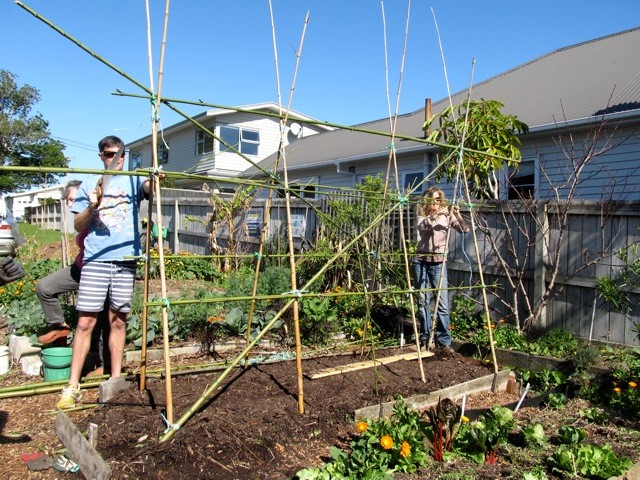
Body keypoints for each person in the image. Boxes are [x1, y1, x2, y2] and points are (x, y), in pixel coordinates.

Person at [57, 135, 153, 409]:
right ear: (101, 155)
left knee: (118, 322)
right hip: (97, 259)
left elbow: (152, 187)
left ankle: (115, 379)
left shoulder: (135, 180)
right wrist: (92, 205)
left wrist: (154, 173)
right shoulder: (89, 182)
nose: (115, 158)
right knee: (85, 322)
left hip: (125, 260)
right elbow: (77, 225)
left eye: (119, 154)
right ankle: (73, 385)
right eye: (109, 154)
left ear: (125, 156)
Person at [36, 180, 110, 376]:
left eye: (72, 199)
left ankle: (105, 365)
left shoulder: (99, 212)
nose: (70, 205)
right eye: (69, 201)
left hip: (99, 271)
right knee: (45, 287)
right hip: (80, 269)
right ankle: (58, 325)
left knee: (103, 320)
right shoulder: (81, 216)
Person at [412, 186, 469, 352]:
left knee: (442, 304)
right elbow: (423, 227)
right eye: (433, 199)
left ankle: (444, 341)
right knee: (423, 301)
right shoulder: (422, 215)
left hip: (438, 262)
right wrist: (437, 214)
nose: (437, 203)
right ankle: (425, 337)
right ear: (427, 201)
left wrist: (456, 214)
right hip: (421, 260)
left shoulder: (447, 216)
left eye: (439, 199)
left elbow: (464, 229)